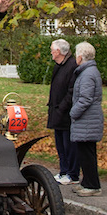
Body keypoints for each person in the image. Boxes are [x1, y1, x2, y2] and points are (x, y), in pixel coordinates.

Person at [69, 41, 104, 196]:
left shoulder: (88, 73)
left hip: (87, 119)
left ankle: (92, 185)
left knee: (87, 153)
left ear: (81, 57)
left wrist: (73, 112)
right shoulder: (88, 72)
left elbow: (85, 99)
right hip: (88, 119)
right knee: (85, 152)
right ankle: (87, 182)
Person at [45, 38, 80, 185]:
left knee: (69, 144)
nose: (51, 53)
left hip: (66, 113)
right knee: (60, 143)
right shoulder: (58, 66)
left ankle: (72, 173)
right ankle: (63, 170)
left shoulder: (72, 66)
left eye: (52, 50)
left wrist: (62, 107)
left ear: (58, 51)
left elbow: (71, 91)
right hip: (56, 110)